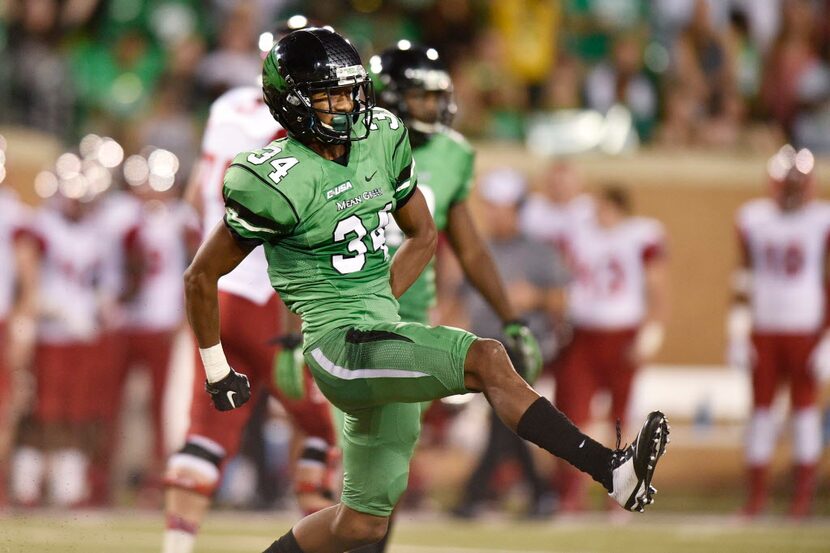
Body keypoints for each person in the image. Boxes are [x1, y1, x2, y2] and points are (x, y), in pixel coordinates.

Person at [186, 27, 670, 553]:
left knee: (362, 523)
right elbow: (200, 276)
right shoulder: (271, 178)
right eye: (332, 95)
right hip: (338, 346)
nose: (348, 105)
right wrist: (218, 369)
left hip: (380, 330)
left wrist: (379, 300)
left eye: (353, 91)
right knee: (485, 358)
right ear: (292, 100)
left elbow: (424, 233)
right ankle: (611, 469)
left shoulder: (380, 139)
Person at [160, 22, 337, 553]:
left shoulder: (225, 108)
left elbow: (197, 197)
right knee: (326, 430)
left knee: (206, 433)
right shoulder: (303, 127)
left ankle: (176, 547)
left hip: (218, 292)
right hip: (276, 301)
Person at [451, 168, 567, 519]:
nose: (493, 215)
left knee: (505, 412)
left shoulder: (540, 252)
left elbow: (563, 301)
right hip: (483, 344)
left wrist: (535, 297)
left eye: (500, 208)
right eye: (490, 207)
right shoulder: (477, 250)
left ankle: (476, 493)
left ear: (518, 209)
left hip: (523, 344)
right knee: (509, 419)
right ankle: (539, 493)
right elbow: (458, 303)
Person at [728, 144, 830, 518]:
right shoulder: (754, 218)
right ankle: (757, 497)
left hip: (806, 330)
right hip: (765, 330)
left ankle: (801, 500)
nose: (790, 192)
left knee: (804, 414)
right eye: (786, 185)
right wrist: (737, 330)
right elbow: (743, 277)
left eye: (795, 185)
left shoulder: (822, 220)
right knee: (760, 414)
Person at [554, 185, 669, 513]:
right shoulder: (581, 234)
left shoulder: (639, 235)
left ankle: (622, 497)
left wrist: (652, 332)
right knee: (572, 417)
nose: (599, 215)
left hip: (623, 335)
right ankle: (570, 494)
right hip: (584, 334)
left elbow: (656, 286)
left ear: (620, 209)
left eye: (605, 208)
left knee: (623, 419)